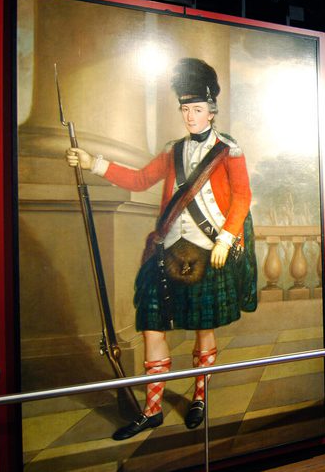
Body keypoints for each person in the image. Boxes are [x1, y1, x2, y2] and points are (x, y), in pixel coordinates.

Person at [66, 58, 257, 439]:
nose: (190, 117)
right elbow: (139, 180)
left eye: (197, 110)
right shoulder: (173, 151)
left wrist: (225, 237)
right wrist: (93, 163)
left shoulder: (229, 150)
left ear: (211, 112)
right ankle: (152, 410)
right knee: (152, 328)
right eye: (185, 110)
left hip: (209, 250)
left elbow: (242, 197)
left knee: (203, 330)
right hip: (167, 251)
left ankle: (199, 397)